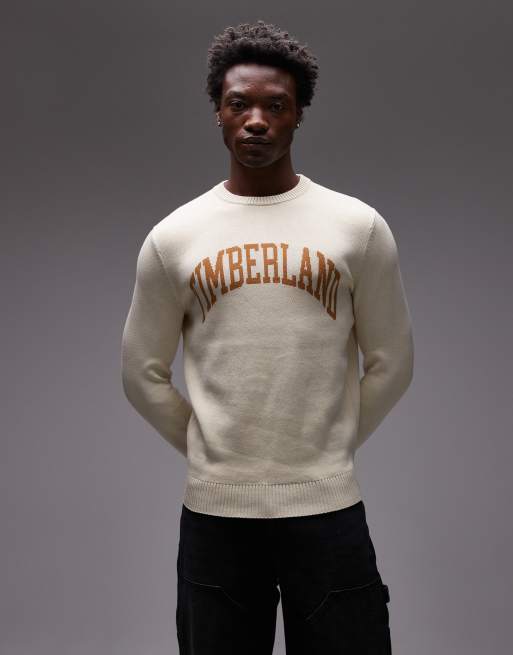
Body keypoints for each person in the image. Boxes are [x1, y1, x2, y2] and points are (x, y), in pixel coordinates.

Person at [121, 19, 414, 655]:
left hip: (328, 510)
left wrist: (330, 447)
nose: (256, 120)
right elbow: (141, 372)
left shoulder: (357, 227)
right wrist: (209, 449)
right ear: (218, 113)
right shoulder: (174, 237)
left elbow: (392, 361)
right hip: (216, 516)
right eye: (239, 104)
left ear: (299, 114)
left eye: (275, 105)